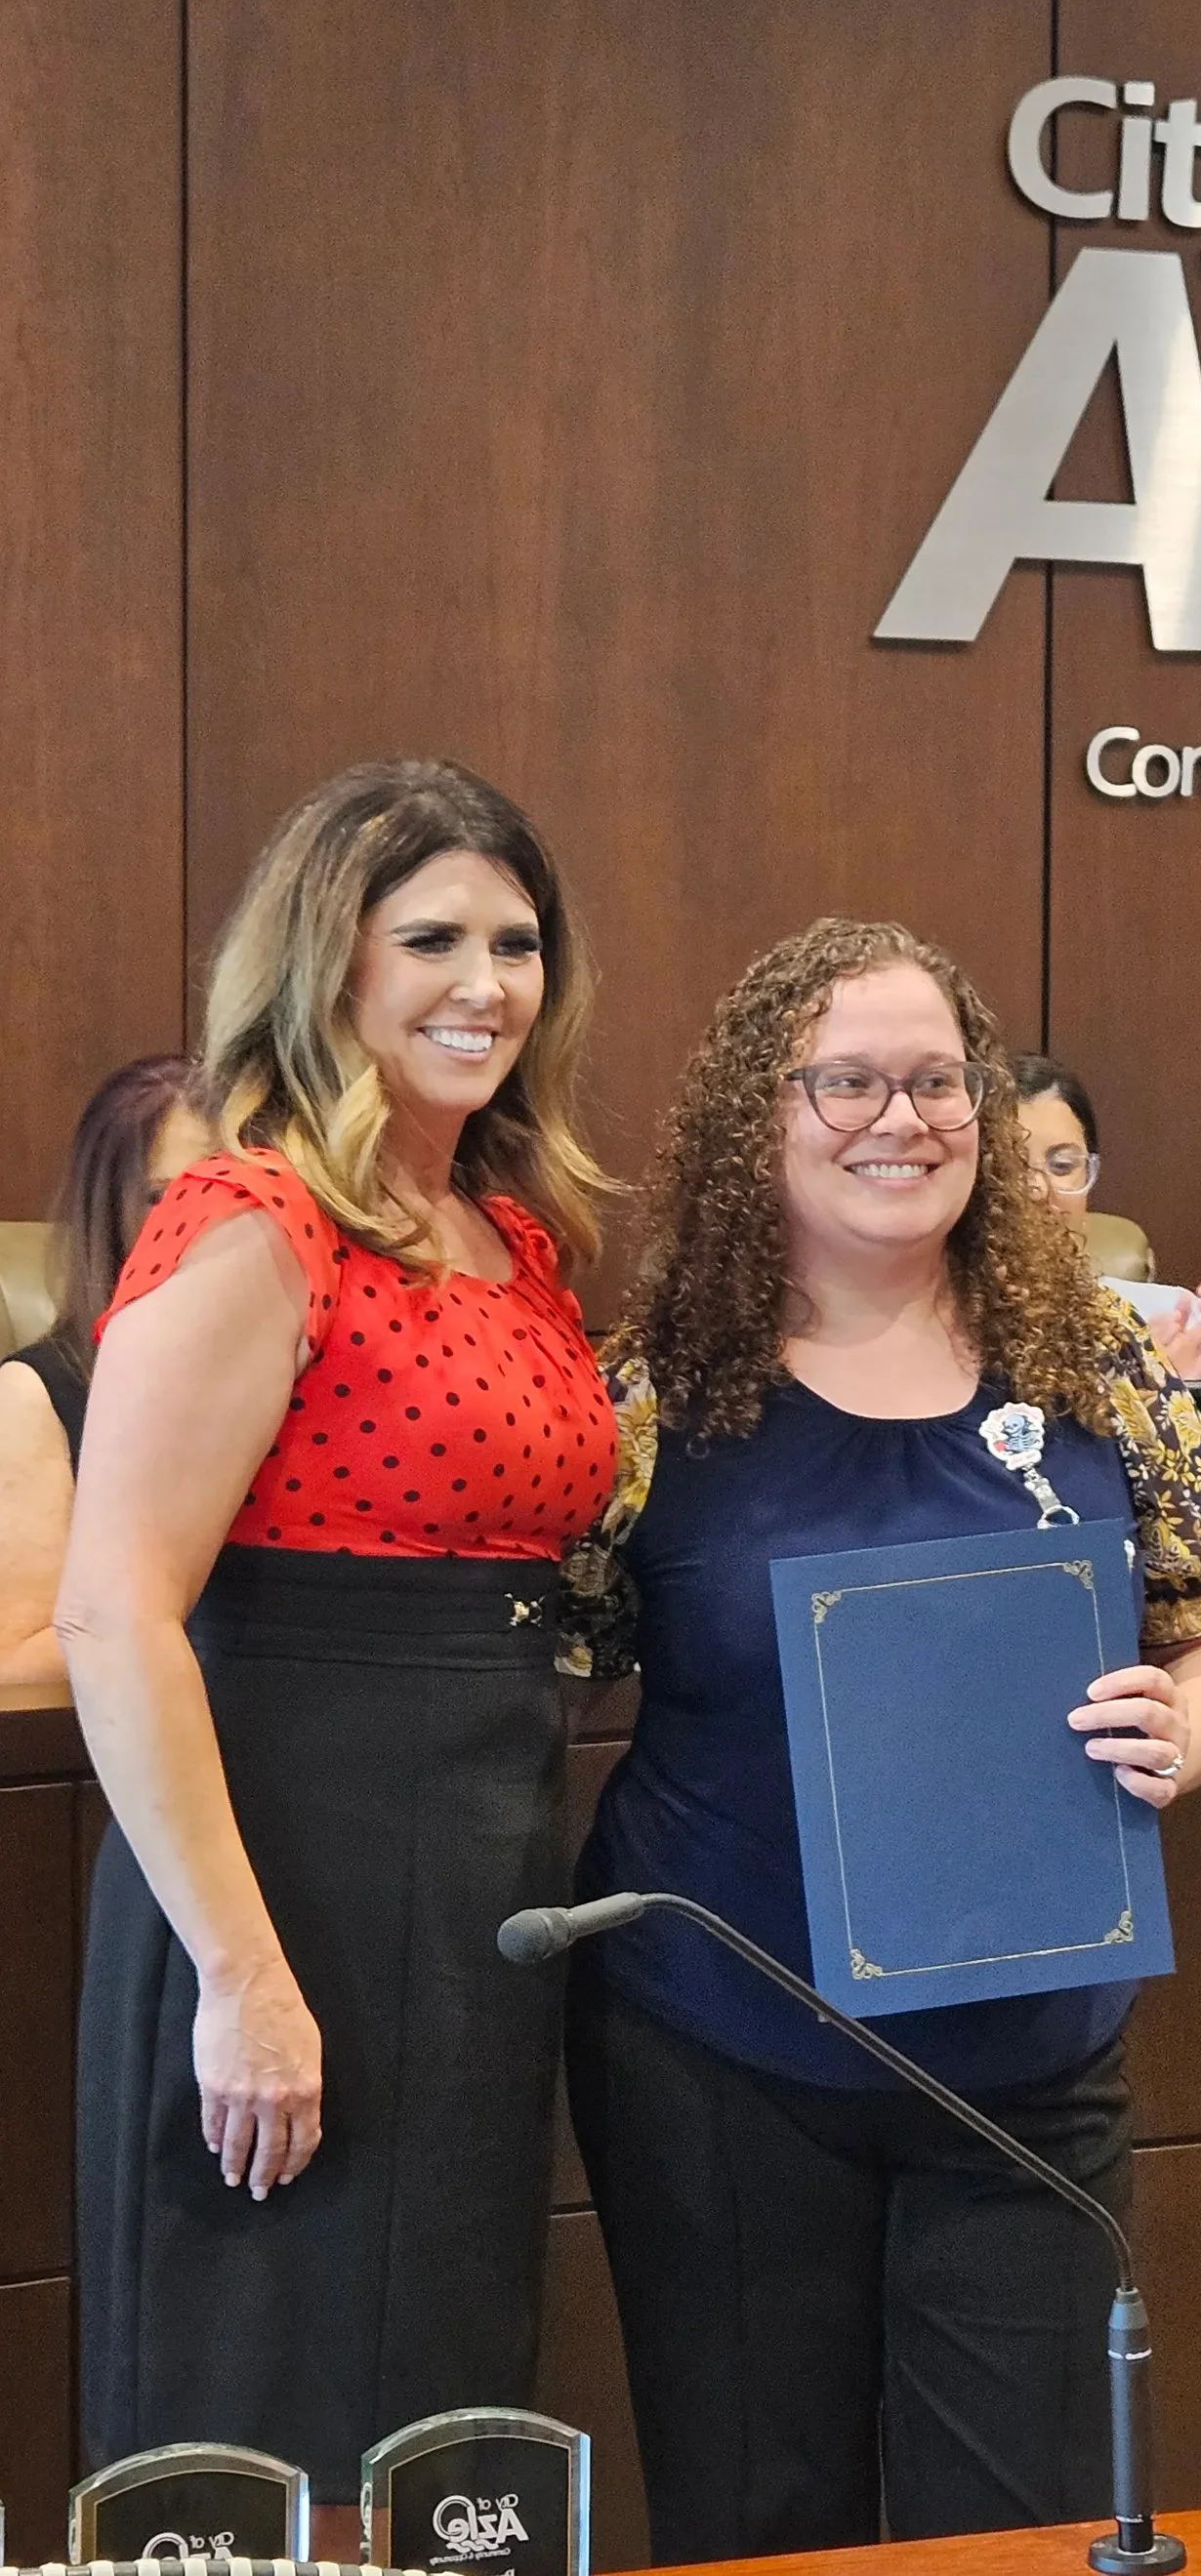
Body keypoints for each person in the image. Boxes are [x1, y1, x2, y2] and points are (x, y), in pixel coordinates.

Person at [559, 915, 1201, 2562]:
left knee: (1027, 2534)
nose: (903, 1118)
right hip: (721, 2052)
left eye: (939, 1081)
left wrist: (1189, 1727)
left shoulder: (1097, 1358)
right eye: (848, 1082)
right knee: (759, 2526)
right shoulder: (650, 1389)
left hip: (1027, 2068)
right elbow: (541, 1667)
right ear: (762, 1114)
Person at [54, 758, 617, 2494]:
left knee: (438, 2403)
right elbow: (113, 1611)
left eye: (516, 942)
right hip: (286, 1869)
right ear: (325, 962)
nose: (485, 984)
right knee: (266, 2410)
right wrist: (241, 1978)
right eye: (430, 938)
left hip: (479, 1875)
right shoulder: (252, 1220)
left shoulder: (511, 1233)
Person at [0, 1056, 206, 1692]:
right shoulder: (35, 1394)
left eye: (239, 1194)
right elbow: (12, 1661)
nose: (210, 1222)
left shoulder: (306, 1380)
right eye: (166, 1198)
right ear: (109, 1212)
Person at [1013, 1050, 1201, 1377]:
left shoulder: (1171, 1318)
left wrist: (1181, 1390)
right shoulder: (940, 1335)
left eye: (1062, 1166)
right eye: (1011, 1167)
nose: (1037, 1189)